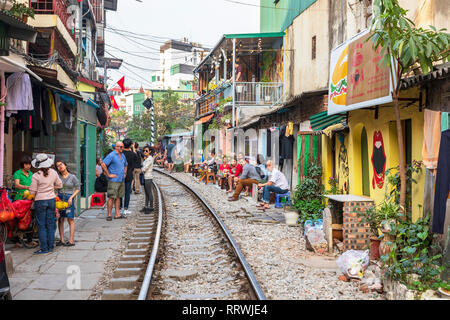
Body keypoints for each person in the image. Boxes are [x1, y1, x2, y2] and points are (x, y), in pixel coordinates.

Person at [29, 154, 63, 254]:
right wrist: (51, 187)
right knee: (50, 224)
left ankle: (44, 248)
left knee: (41, 225)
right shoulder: (53, 172)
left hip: (40, 201)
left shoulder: (36, 176)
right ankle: (51, 247)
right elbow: (60, 184)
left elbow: (32, 192)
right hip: (51, 200)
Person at [55, 160, 80, 247]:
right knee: (60, 219)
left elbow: (78, 188)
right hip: (60, 198)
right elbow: (55, 187)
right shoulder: (57, 177)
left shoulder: (72, 177)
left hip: (69, 198)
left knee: (70, 219)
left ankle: (71, 240)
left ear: (65, 165)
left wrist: (71, 197)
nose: (60, 167)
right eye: (58, 166)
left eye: (61, 164)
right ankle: (61, 239)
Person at [101, 141, 128, 221]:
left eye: (122, 146)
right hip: (113, 180)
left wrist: (125, 173)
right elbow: (103, 164)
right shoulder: (111, 155)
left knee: (119, 197)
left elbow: (125, 165)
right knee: (111, 197)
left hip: (121, 179)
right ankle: (109, 215)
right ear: (116, 147)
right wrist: (108, 174)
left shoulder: (122, 155)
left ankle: (117, 214)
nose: (122, 148)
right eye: (120, 147)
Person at [121, 139, 138, 215]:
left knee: (120, 192)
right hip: (129, 175)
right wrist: (134, 149)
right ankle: (125, 208)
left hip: (120, 175)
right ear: (131, 145)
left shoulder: (120, 153)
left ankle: (119, 207)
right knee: (127, 192)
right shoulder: (132, 154)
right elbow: (136, 162)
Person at [141, 146, 154, 213]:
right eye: (144, 150)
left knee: (149, 192)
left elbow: (145, 168)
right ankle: (146, 206)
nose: (145, 152)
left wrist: (140, 170)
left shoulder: (150, 159)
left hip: (148, 177)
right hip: (145, 177)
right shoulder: (147, 158)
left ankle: (151, 207)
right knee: (146, 193)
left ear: (150, 151)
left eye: (146, 151)